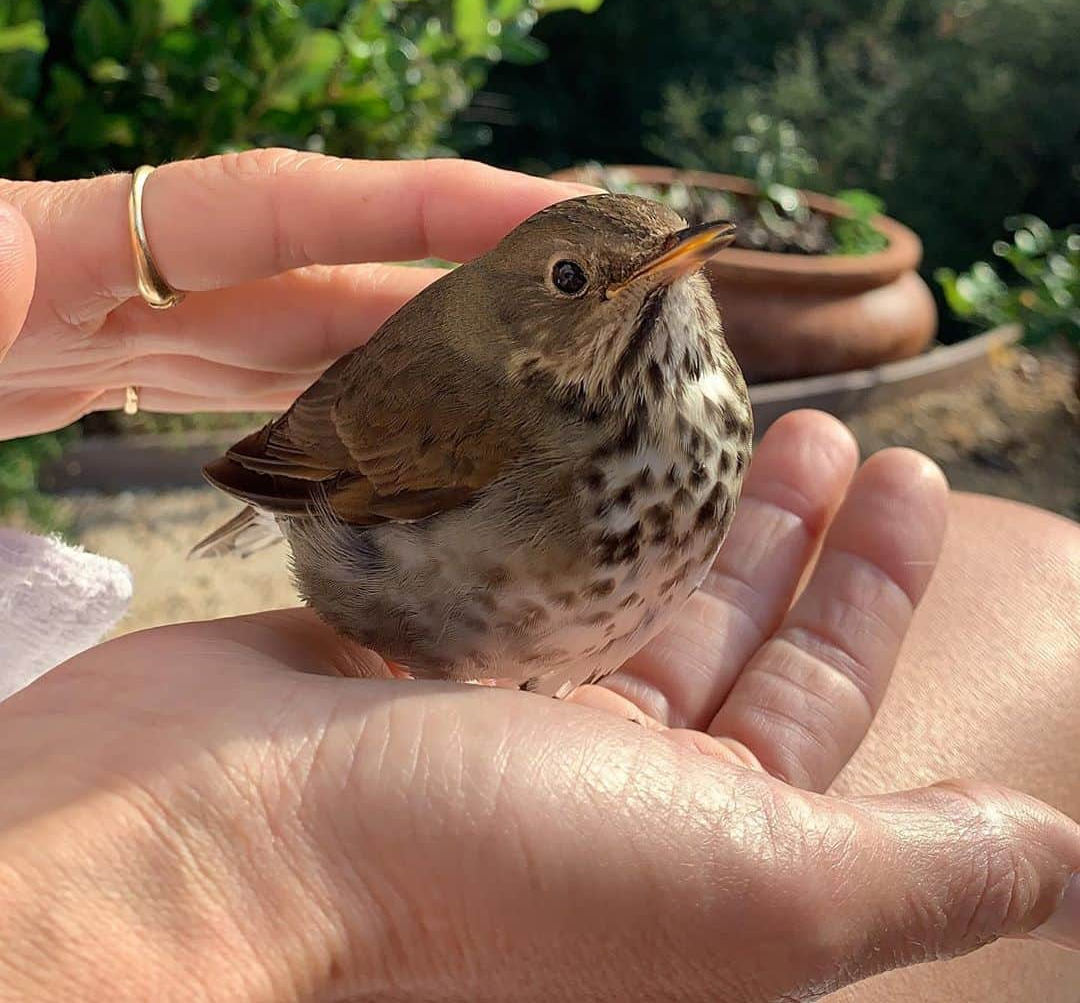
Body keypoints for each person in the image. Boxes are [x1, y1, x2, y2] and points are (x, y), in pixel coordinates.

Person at [0, 150, 1076, 1001]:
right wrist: (301, 843)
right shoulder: (487, 414)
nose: (644, 283)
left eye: (668, 264)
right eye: (576, 284)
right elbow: (323, 472)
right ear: (522, 316)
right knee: (1041, 578)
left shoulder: (711, 399)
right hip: (369, 509)